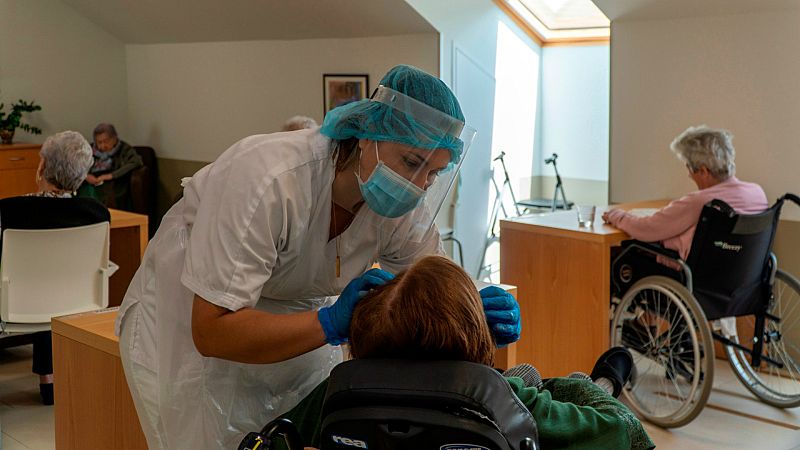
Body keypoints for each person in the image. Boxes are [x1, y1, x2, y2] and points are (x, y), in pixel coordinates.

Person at [114, 64, 521, 449]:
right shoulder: (269, 180)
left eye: (434, 173)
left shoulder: (404, 209)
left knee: (302, 429)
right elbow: (211, 332)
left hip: (298, 322)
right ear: (368, 133)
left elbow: (435, 280)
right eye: (412, 162)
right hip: (190, 325)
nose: (418, 185)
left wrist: (474, 306)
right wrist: (329, 322)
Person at [278, 255, 654, 450]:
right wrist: (572, 388)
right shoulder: (502, 401)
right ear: (476, 339)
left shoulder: (338, 394)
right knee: (538, 377)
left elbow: (272, 439)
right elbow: (624, 433)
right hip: (519, 389)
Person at [0, 130, 109, 405]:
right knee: (53, 280)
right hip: (73, 304)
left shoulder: (9, 211)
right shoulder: (96, 213)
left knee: (31, 279)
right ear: (83, 175)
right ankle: (50, 380)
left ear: (42, 167)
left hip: (14, 305)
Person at [603, 125, 768, 291]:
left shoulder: (701, 201)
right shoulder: (756, 193)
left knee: (616, 257)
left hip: (694, 281)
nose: (689, 174)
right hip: (740, 281)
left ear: (703, 171)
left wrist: (617, 215)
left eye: (688, 167)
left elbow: (647, 229)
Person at [79, 123, 143, 210]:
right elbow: (78, 165)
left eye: (106, 141)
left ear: (114, 138)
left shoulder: (124, 149)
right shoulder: (89, 149)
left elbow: (136, 161)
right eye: (99, 142)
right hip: (91, 182)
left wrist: (111, 176)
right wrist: (86, 176)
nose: (102, 146)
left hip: (114, 183)